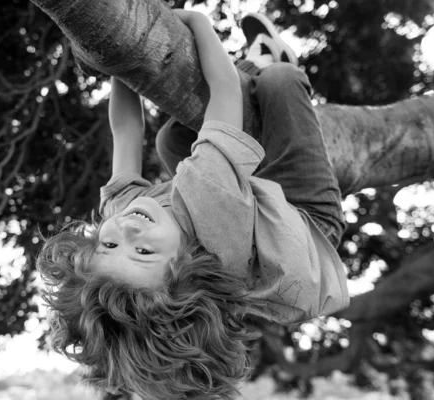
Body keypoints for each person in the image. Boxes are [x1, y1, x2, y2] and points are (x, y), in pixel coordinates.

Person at [36, 9, 349, 400]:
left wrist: (117, 60)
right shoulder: (210, 206)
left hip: (251, 218)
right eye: (145, 251)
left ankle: (246, 101)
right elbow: (225, 91)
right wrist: (199, 22)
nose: (127, 231)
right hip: (308, 225)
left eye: (109, 246)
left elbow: (126, 132)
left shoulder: (122, 214)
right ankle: (272, 55)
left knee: (170, 142)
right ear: (189, 267)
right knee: (278, 84)